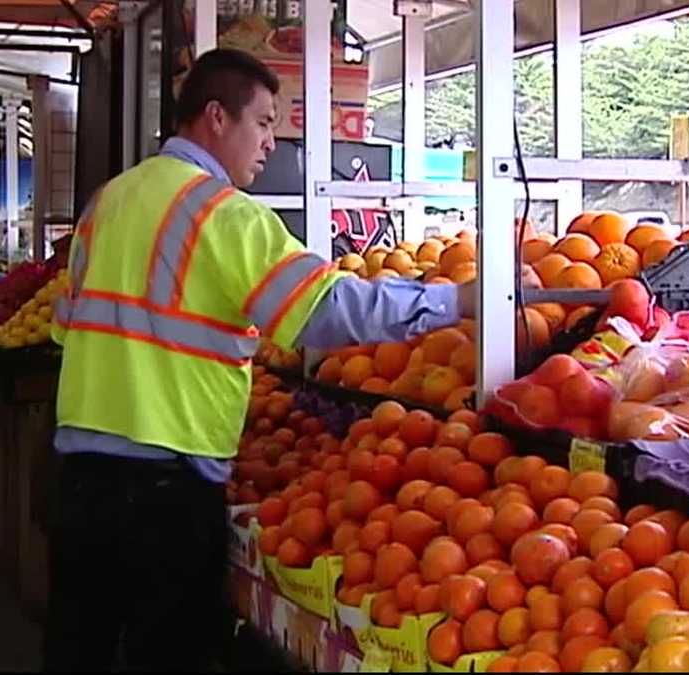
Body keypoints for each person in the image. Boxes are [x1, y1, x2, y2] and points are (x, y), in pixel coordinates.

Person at [43, 48, 497, 672]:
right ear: (215, 117)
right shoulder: (222, 215)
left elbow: (67, 328)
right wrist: (456, 300)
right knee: (166, 654)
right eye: (262, 123)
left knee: (78, 647)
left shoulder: (107, 202)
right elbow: (325, 311)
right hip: (167, 484)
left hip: (81, 474)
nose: (270, 144)